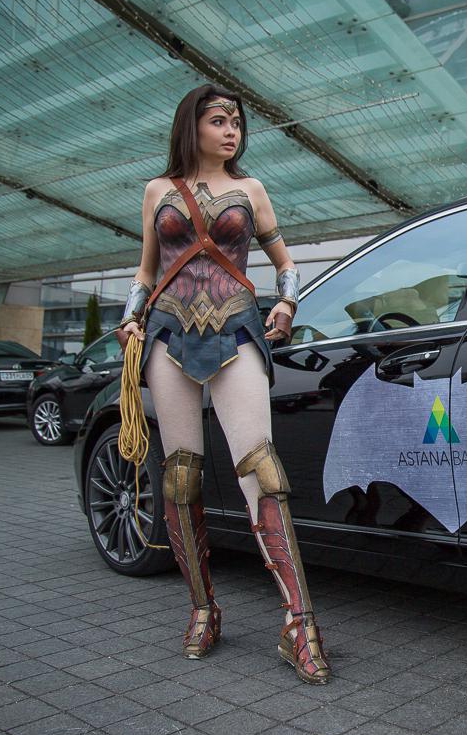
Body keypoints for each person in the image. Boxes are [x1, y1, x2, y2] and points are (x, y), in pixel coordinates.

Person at [115, 84, 329, 685]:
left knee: (261, 469)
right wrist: (130, 316)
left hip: (236, 328)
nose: (231, 130)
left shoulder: (252, 189)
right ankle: (203, 610)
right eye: (218, 120)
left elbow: (285, 263)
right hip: (167, 333)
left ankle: (299, 624)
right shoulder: (157, 191)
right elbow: (146, 270)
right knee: (180, 475)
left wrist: (286, 304)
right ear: (192, 127)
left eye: (236, 121)